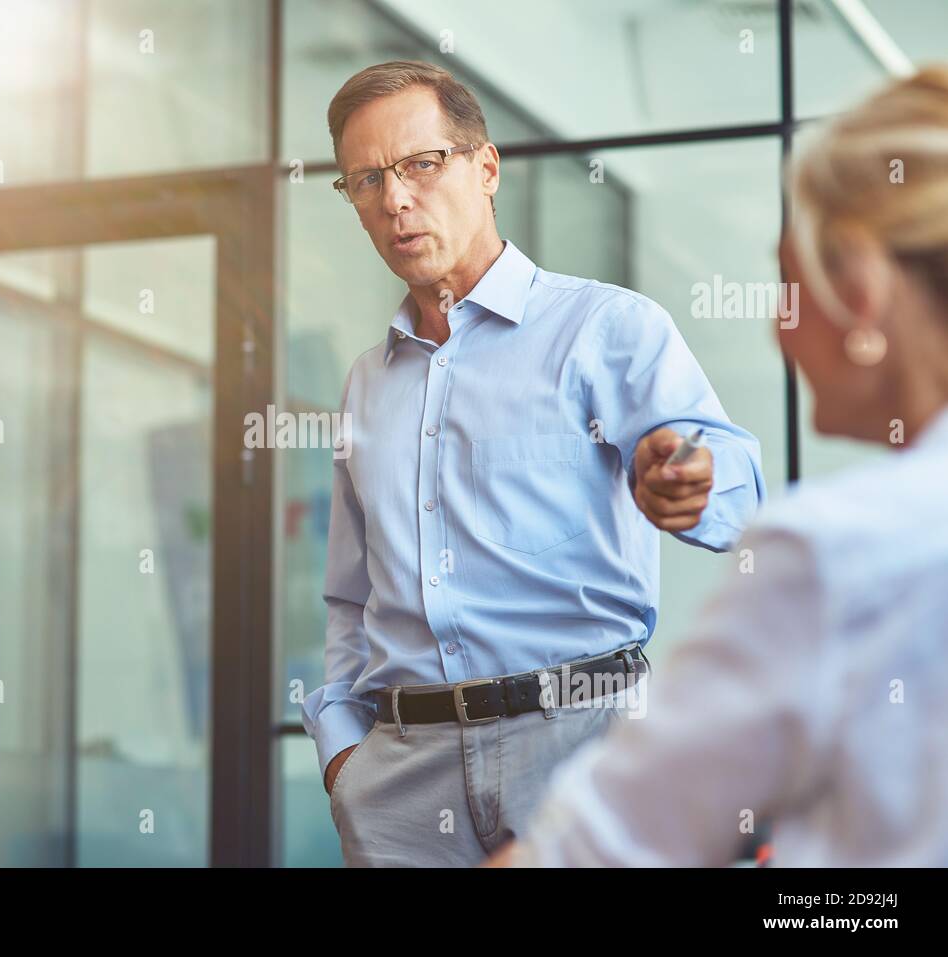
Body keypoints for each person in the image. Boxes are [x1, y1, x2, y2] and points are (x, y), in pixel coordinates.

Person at [301, 60, 766, 866]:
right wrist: (344, 751)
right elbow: (351, 596)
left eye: (420, 164)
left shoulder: (607, 328)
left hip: (582, 745)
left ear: (486, 168)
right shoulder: (367, 384)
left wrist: (690, 481)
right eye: (366, 180)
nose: (395, 199)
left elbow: (734, 485)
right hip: (400, 784)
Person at [484, 65, 948, 867]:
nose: (776, 325)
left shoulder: (835, 551)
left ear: (862, 293)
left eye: (787, 283)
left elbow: (587, 853)